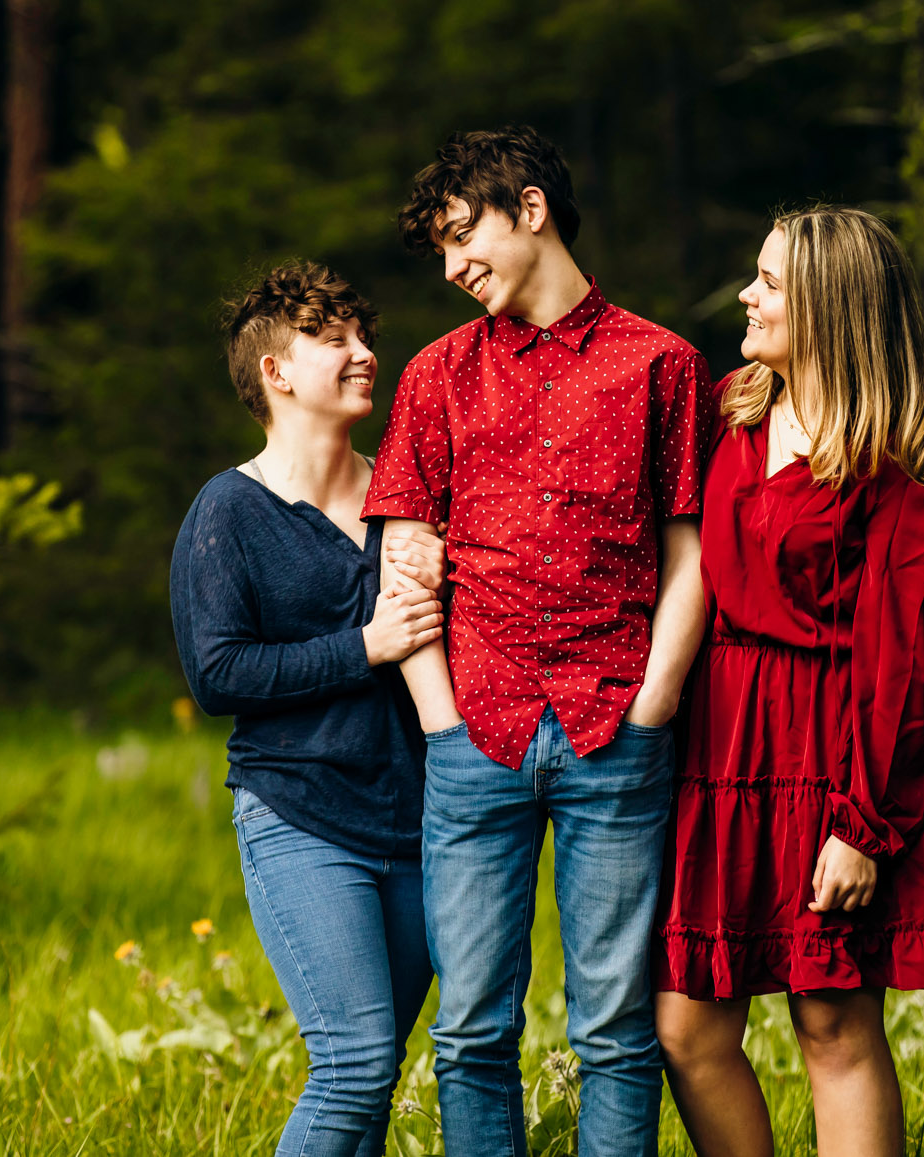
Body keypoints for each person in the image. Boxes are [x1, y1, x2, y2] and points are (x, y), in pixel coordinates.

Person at [363, 126, 715, 1156]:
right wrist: (440, 719)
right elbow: (404, 554)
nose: (450, 264)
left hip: (617, 728)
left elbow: (689, 554)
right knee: (471, 1027)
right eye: (436, 249)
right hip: (474, 732)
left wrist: (652, 703)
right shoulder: (435, 377)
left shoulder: (663, 365)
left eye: (461, 233)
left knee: (614, 1029)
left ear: (530, 209)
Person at [652, 207, 924, 1157]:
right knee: (688, 1025)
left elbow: (898, 657)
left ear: (832, 309)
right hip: (719, 743)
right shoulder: (732, 409)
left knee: (830, 1024)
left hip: (830, 755)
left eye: (771, 283)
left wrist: (863, 824)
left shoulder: (900, 459)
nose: (747, 295)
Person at [168, 262, 449, 1157]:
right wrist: (364, 645)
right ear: (276, 373)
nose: (365, 353)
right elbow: (218, 676)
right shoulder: (229, 511)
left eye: (364, 337)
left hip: (423, 822)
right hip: (301, 815)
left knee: (375, 1075)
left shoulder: (405, 496)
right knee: (356, 1064)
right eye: (335, 340)